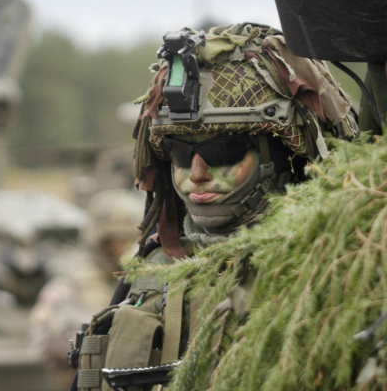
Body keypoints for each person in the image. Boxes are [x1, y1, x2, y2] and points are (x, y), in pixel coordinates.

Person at [73, 23, 358, 390]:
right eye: (180, 152)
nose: (197, 173)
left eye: (223, 151)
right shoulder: (155, 269)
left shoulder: (324, 261)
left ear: (280, 155)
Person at [31, 189, 144, 389]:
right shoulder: (73, 278)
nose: (119, 248)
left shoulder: (150, 276)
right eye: (111, 241)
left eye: (125, 239)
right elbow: (43, 329)